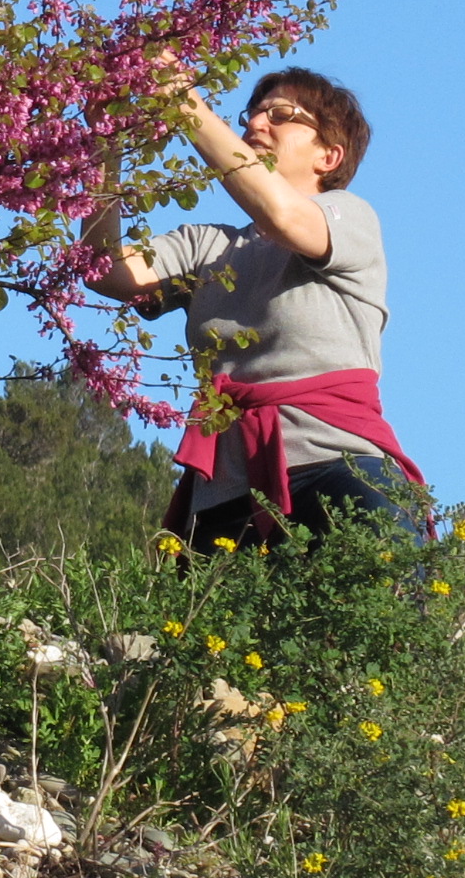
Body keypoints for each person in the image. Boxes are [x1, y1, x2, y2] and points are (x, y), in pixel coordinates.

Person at [83, 65, 424, 554]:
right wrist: (103, 147)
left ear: (329, 156)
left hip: (335, 466)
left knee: (375, 621)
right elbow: (105, 271)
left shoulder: (349, 216)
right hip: (225, 492)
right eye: (252, 115)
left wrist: (183, 100)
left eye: (282, 115)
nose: (256, 125)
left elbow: (283, 216)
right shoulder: (208, 246)